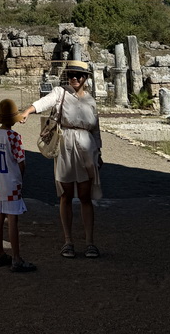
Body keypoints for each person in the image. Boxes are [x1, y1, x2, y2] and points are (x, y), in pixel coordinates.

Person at [18, 60, 102, 259]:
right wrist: (27, 111)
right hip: (65, 145)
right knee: (65, 194)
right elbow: (43, 102)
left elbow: (96, 129)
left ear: (86, 78)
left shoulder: (90, 100)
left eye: (79, 75)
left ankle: (90, 242)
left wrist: (100, 153)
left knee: (84, 196)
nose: (75, 78)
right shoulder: (60, 92)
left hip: (87, 147)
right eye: (71, 74)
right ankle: (68, 241)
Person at [0, 98, 36, 273]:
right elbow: (21, 161)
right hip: (11, 182)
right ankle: (16, 258)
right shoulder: (14, 136)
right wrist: (21, 178)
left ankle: (0, 253)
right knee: (13, 219)